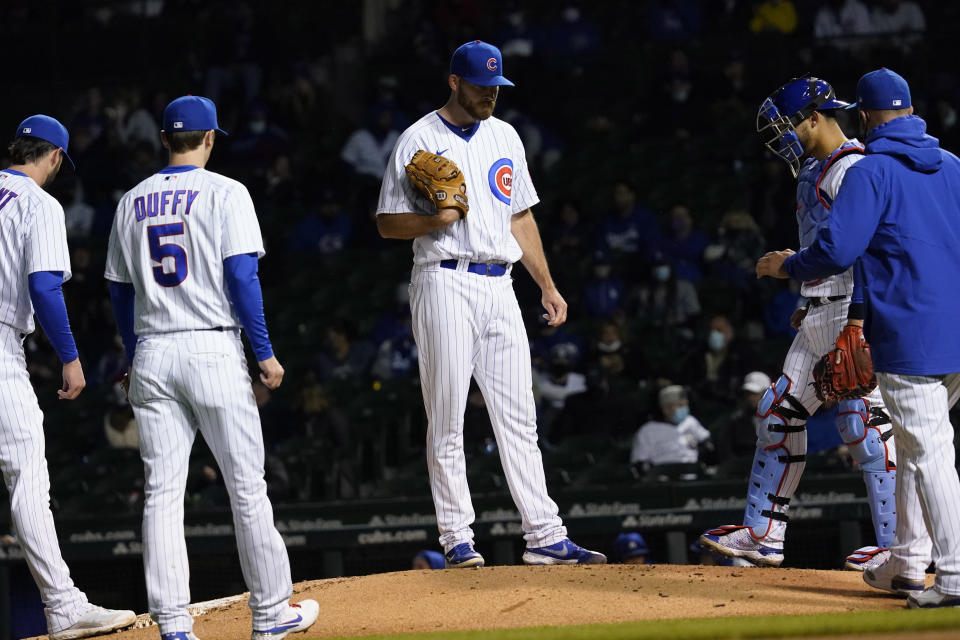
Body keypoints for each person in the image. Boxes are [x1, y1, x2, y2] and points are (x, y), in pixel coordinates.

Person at [375, 40, 606, 567]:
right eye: (481, 86)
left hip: (500, 283)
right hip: (444, 279)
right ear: (454, 81)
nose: (490, 96)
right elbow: (387, 223)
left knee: (520, 415)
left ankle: (545, 535)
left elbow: (519, 217)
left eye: (496, 87)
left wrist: (546, 284)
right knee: (448, 414)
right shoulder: (418, 138)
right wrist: (434, 221)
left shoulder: (505, 135)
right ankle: (457, 537)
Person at [104, 95, 318, 638]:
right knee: (246, 488)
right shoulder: (227, 192)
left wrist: (133, 356)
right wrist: (264, 352)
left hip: (153, 350)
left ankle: (174, 626)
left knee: (161, 494)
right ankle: (271, 615)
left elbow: (119, 292)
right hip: (211, 346)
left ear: (163, 139)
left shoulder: (131, 200)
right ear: (210, 138)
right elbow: (243, 277)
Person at [758, 68, 960, 608]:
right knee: (918, 449)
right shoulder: (954, 166)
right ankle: (909, 563)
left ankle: (956, 575)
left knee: (931, 452)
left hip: (908, 331)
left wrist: (787, 266)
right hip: (956, 327)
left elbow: (836, 252)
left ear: (865, 116)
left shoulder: (871, 171)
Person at [700, 77, 897, 573]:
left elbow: (863, 249)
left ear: (815, 117)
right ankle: (764, 535)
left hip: (850, 309)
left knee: (864, 425)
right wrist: (810, 293)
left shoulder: (852, 167)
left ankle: (901, 545)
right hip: (818, 309)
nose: (781, 135)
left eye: (787, 124)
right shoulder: (816, 168)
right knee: (777, 413)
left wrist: (801, 275)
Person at [0, 116, 136, 638]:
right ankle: (62, 605)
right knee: (27, 475)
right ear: (54, 157)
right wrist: (71, 356)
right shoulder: (40, 204)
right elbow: (44, 286)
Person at [631, 385, 711, 472]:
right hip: (664, 477)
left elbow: (707, 443)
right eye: (680, 405)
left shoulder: (690, 422)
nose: (684, 408)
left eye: (685, 405)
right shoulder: (648, 430)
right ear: (666, 409)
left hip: (691, 473)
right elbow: (640, 463)